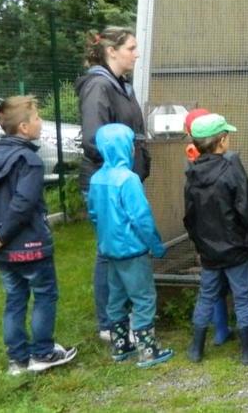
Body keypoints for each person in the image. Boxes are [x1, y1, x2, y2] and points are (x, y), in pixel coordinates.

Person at [0, 95, 78, 375]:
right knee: (44, 295)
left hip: (2, 251)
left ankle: (18, 360)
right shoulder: (29, 160)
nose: (41, 122)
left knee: (15, 298)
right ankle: (42, 353)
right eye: (37, 118)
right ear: (24, 128)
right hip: (31, 246)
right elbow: (23, 204)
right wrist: (1, 234)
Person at [75, 26, 149, 341]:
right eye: (131, 48)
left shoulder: (120, 85)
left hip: (123, 181)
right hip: (107, 183)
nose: (136, 53)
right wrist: (120, 170)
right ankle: (109, 323)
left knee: (123, 250)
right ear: (112, 51)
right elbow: (95, 139)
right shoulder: (98, 87)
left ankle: (123, 313)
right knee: (110, 252)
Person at [183, 114, 248, 366]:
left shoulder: (192, 174)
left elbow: (190, 216)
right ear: (221, 141)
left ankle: (196, 349)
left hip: (209, 250)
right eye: (227, 136)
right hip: (236, 248)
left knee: (206, 295)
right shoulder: (232, 169)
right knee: (242, 297)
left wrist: (200, 244)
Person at [88, 123, 172, 368]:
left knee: (116, 298)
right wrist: (155, 245)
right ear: (125, 148)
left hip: (109, 250)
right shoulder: (129, 179)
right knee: (144, 298)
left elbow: (93, 214)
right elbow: (141, 218)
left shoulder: (96, 179)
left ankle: (120, 345)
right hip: (132, 251)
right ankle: (147, 350)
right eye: (132, 145)